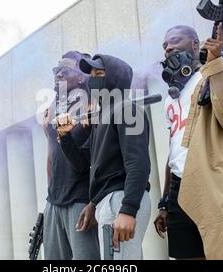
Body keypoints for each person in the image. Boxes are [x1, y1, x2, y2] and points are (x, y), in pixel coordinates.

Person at [153, 24, 223, 260]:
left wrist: (215, 66)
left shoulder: (221, 75)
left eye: (174, 40)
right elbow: (175, 152)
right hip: (179, 192)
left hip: (217, 187)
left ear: (195, 45)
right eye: (164, 45)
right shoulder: (170, 100)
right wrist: (164, 202)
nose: (168, 47)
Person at [56, 54, 151, 260]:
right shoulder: (102, 116)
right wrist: (65, 136)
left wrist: (128, 209)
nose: (93, 79)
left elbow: (138, 164)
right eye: (90, 74)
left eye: (99, 74)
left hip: (121, 199)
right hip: (108, 203)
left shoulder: (128, 109)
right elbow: (83, 162)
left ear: (115, 78)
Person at [42, 51, 100, 260]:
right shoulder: (54, 110)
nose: (58, 75)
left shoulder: (92, 108)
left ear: (82, 76)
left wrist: (92, 203)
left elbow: (94, 162)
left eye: (64, 70)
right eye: (56, 70)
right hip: (54, 202)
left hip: (80, 200)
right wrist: (50, 198)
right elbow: (51, 157)